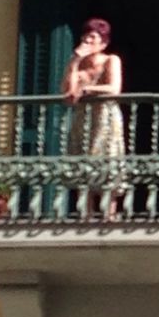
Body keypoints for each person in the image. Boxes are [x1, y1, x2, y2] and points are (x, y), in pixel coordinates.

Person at [61, 18, 125, 214]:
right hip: (83, 121)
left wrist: (87, 89)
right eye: (85, 36)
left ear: (103, 42)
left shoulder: (110, 60)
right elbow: (67, 94)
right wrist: (74, 61)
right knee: (83, 169)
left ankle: (109, 219)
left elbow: (114, 89)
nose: (87, 40)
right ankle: (86, 219)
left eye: (93, 37)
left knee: (107, 166)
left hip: (105, 120)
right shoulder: (78, 66)